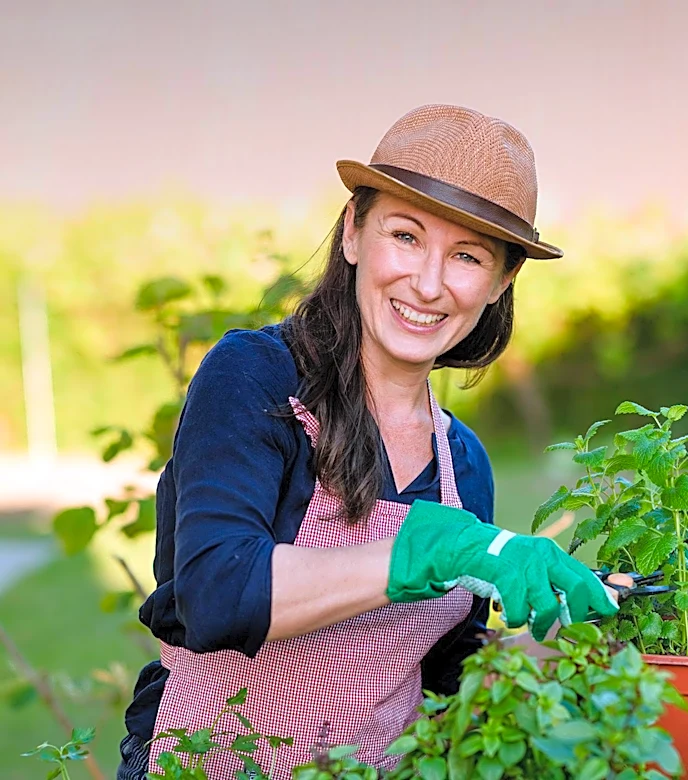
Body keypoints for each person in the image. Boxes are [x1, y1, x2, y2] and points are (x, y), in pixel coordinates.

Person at [117, 104, 619, 780]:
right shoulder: (256, 378)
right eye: (406, 236)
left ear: (501, 282)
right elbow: (216, 592)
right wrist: (437, 548)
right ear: (353, 232)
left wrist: (564, 636)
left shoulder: (461, 463)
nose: (429, 282)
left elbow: (444, 670)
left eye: (467, 255)